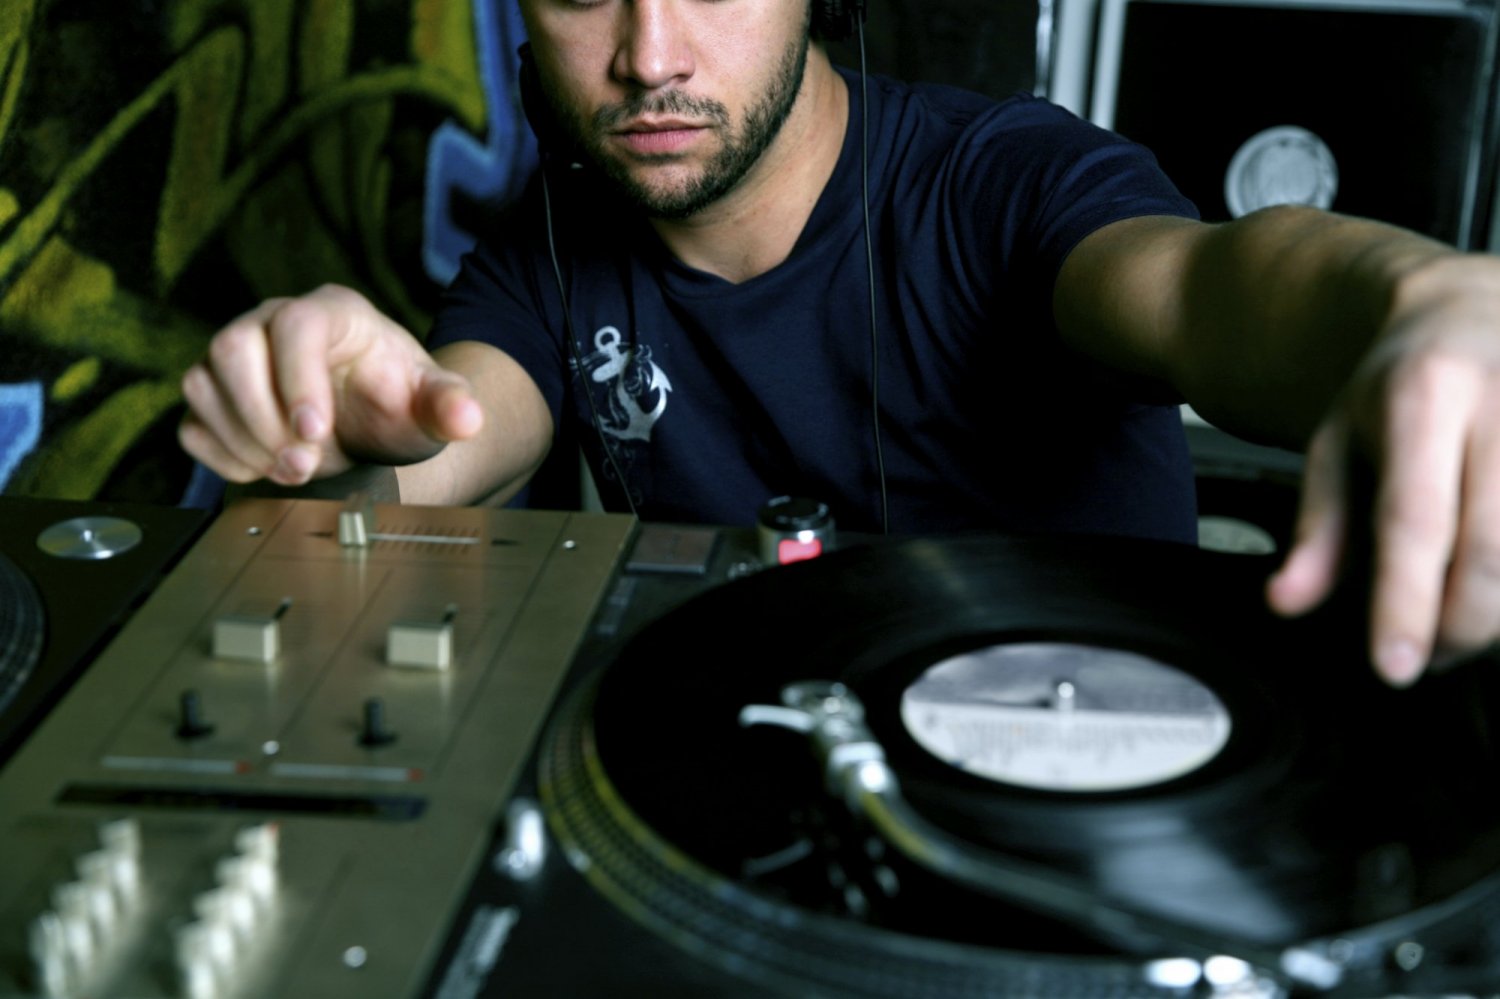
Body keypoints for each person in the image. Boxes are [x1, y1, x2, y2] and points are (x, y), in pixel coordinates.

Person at [178, 0, 1500, 690]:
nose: (649, 55)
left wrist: (1423, 304)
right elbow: (440, 440)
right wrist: (329, 432)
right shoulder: (554, 245)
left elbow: (1221, 289)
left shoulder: (1007, 183)